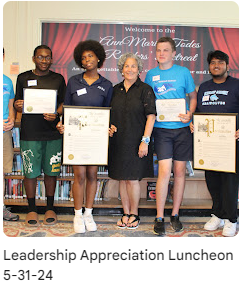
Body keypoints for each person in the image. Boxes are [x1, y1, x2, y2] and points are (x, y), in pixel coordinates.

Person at [57, 40, 113, 234]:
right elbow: (66, 107)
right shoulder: (73, 81)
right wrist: (61, 123)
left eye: (90, 56)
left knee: (92, 175)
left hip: (95, 139)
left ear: (98, 58)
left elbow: (108, 112)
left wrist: (108, 127)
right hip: (77, 138)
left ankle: (89, 213)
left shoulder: (106, 85)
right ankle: (78, 214)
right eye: (83, 57)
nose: (87, 60)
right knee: (79, 175)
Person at [145, 37, 197, 236]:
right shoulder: (151, 74)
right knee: (164, 172)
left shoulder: (183, 72)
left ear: (174, 53)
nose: (161, 54)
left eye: (166, 50)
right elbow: (148, 101)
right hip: (161, 129)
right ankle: (159, 216)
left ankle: (175, 214)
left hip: (182, 129)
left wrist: (190, 113)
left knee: (180, 171)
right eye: (158, 50)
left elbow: (192, 97)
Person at [14, 45, 66, 227]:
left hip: (52, 133)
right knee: (30, 172)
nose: (44, 60)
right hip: (30, 132)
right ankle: (31, 209)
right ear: (34, 58)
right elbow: (17, 102)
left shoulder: (58, 79)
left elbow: (62, 103)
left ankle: (50, 208)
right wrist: (18, 105)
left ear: (52, 59)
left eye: (47, 57)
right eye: (40, 57)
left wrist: (57, 114)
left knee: (51, 171)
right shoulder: (23, 78)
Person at [191, 50, 239, 237]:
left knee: (229, 181)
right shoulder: (203, 87)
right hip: (209, 143)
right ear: (209, 66)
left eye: (220, 62)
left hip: (230, 143)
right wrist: (195, 123)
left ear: (227, 65)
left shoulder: (237, 85)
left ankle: (231, 219)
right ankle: (217, 214)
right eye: (212, 63)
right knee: (212, 180)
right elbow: (200, 113)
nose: (216, 66)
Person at [109, 53, 156, 229]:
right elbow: (109, 114)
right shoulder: (115, 90)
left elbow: (151, 117)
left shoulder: (145, 90)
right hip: (118, 141)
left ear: (139, 69)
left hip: (138, 141)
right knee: (122, 178)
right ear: (121, 70)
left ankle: (135, 214)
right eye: (126, 66)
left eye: (133, 66)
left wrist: (145, 141)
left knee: (133, 179)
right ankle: (125, 212)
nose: (130, 69)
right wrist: (109, 126)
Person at [3, 48, 19, 221]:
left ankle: (2, 208)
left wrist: (12, 120)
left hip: (4, 133)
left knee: (2, 173)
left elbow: (10, 107)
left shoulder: (7, 81)